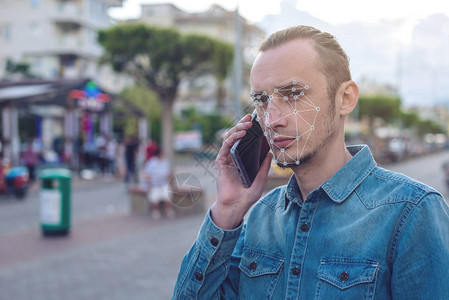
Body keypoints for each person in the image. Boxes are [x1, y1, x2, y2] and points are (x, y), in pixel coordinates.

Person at [172, 25, 449, 299]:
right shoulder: (260, 217)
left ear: (345, 98)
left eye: (292, 94)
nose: (271, 119)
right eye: (261, 100)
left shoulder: (411, 212)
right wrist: (227, 210)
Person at [143, 146, 175, 219]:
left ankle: (169, 210)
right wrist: (149, 184)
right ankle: (155, 212)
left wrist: (170, 181)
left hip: (164, 183)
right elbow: (147, 175)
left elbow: (169, 173)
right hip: (155, 184)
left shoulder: (165, 162)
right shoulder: (151, 163)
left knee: (167, 197)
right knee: (155, 199)